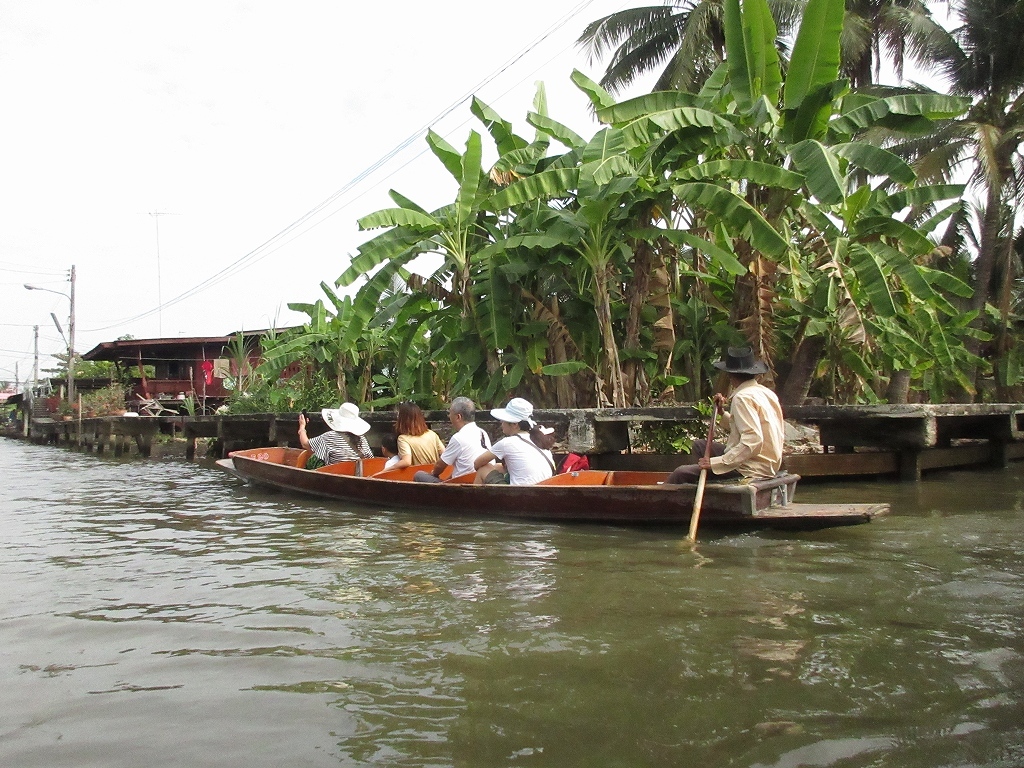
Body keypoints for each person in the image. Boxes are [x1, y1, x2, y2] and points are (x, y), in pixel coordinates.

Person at [666, 346, 785, 484]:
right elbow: (743, 426)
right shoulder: (766, 393)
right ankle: (706, 484)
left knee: (680, 473)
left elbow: (753, 440)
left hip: (751, 467)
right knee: (700, 446)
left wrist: (718, 463)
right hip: (766, 462)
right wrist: (722, 413)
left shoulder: (742, 398)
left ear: (730, 375)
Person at [473, 397, 555, 485]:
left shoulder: (507, 443)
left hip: (519, 494)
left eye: (504, 420)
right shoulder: (538, 439)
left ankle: (470, 498)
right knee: (498, 467)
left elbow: (477, 463)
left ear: (515, 424)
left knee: (484, 469)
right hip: (541, 492)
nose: (501, 422)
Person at [414, 397, 492, 482]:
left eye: (450, 413)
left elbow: (439, 466)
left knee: (419, 475)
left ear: (458, 417)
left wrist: (434, 474)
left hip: (465, 484)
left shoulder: (459, 438)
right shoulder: (482, 432)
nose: (448, 416)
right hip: (481, 479)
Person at [298, 403, 374, 469]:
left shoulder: (329, 437)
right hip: (357, 476)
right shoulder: (362, 438)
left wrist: (302, 427)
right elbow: (370, 459)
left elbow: (305, 444)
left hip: (335, 477)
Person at [390, 401, 445, 470]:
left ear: (402, 419)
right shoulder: (431, 434)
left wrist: (386, 470)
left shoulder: (403, 439)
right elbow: (445, 455)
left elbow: (406, 461)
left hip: (418, 476)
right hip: (434, 473)